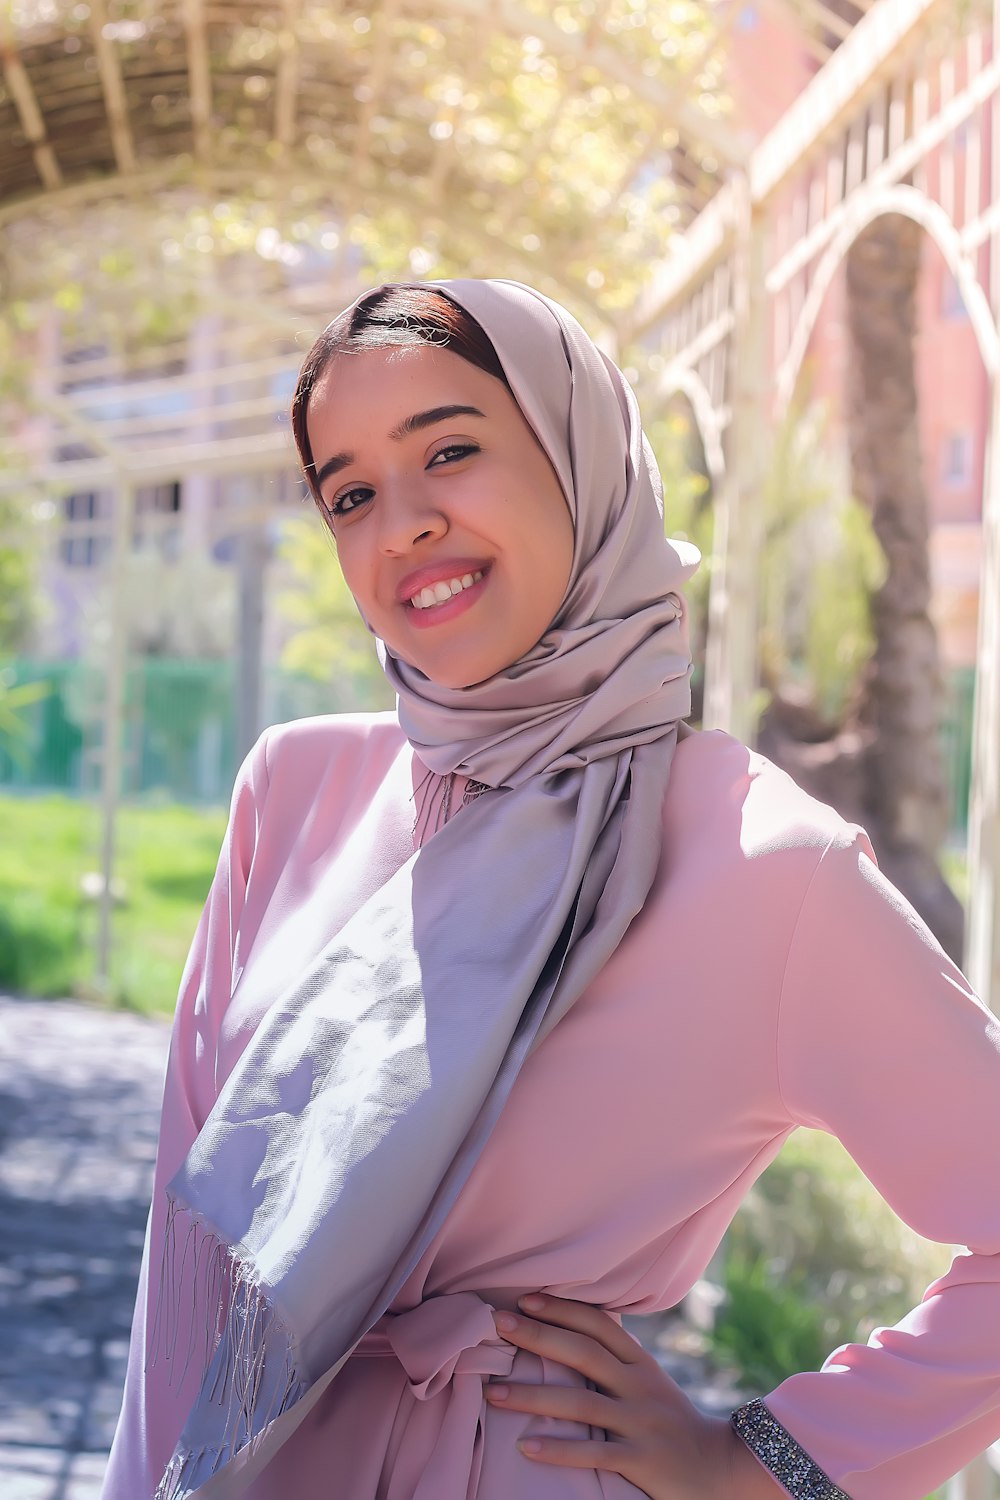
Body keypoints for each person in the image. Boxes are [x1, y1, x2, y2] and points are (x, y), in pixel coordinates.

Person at [102, 278, 1000, 1500]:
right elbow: (192, 1254)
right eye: (351, 493)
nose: (402, 523)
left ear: (579, 451)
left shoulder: (767, 867)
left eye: (451, 450)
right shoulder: (296, 789)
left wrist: (757, 1464)